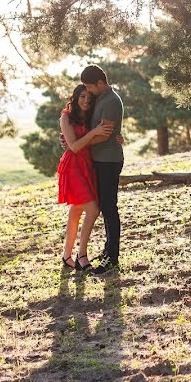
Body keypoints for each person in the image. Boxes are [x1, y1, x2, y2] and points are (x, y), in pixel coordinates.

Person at [57, 84, 116, 272]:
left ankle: (67, 256)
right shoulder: (66, 117)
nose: (86, 101)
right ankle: (81, 255)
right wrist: (94, 133)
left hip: (87, 165)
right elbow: (73, 147)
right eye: (82, 97)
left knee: (77, 210)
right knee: (92, 209)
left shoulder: (90, 116)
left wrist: (115, 137)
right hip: (73, 167)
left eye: (89, 98)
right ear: (75, 97)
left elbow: (94, 139)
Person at [80, 65, 125, 274]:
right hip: (98, 159)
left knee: (109, 208)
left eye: (90, 86)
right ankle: (108, 251)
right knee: (104, 207)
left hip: (109, 160)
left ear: (100, 82)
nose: (88, 90)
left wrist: (78, 143)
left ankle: (113, 258)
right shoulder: (99, 98)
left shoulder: (112, 101)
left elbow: (104, 134)